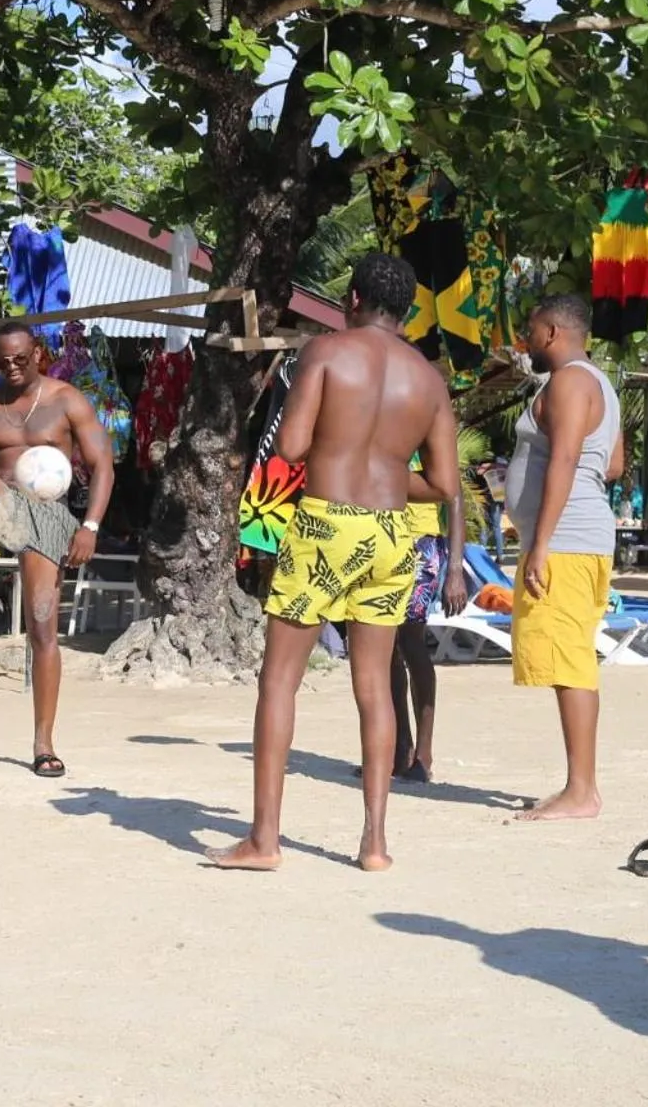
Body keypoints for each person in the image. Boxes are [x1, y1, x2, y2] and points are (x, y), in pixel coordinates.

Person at [209, 254, 460, 872]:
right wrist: (389, 477)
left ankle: (265, 842)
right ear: (406, 311)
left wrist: (338, 453)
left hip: (324, 525)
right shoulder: (428, 381)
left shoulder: (325, 354)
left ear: (351, 298)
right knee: (375, 686)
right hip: (392, 534)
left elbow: (290, 446)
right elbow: (446, 484)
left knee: (279, 680)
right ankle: (374, 844)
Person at [0, 322, 115, 776]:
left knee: (41, 628)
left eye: (21, 358)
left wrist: (90, 526)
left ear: (39, 353)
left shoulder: (65, 400)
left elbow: (102, 465)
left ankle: (44, 743)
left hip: (47, 516)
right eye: (3, 361)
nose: (12, 367)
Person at [505, 294, 624, 823]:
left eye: (531, 331)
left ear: (552, 332)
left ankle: (582, 790)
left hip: (569, 541)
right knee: (567, 659)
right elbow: (614, 464)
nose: (527, 341)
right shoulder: (600, 384)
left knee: (571, 661)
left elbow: (571, 459)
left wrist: (542, 541)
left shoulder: (571, 382)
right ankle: (579, 786)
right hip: (579, 535)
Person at [391, 453, 468, 783]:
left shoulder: (423, 414)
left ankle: (423, 753)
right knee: (383, 652)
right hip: (381, 535)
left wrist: (455, 569)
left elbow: (455, 496)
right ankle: (398, 749)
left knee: (410, 643)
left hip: (419, 542)